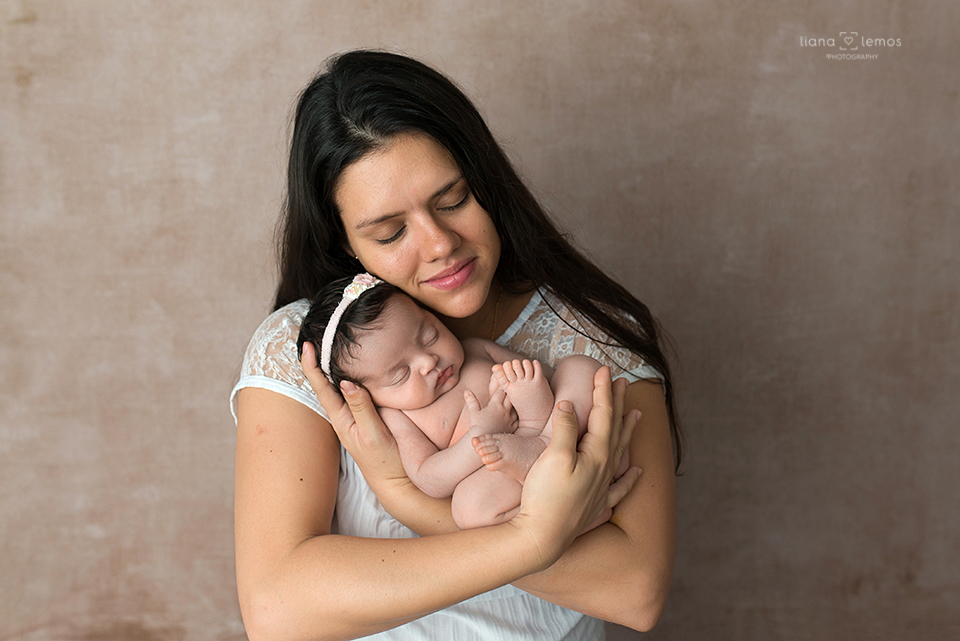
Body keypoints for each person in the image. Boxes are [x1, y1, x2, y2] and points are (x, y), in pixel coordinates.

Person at [232, 49, 682, 641]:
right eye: (390, 232)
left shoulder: (593, 336)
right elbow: (277, 608)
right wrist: (534, 538)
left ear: (487, 185)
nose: (440, 243)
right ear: (345, 245)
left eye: (452, 201)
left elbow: (635, 592)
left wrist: (411, 502)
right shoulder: (310, 355)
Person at [297, 273, 611, 530]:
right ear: (365, 394)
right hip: (508, 474)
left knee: (580, 367)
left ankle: (546, 447)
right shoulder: (398, 416)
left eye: (429, 336)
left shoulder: (475, 350)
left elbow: (543, 377)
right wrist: (479, 435)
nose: (428, 362)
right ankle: (576, 512)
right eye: (400, 374)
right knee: (468, 509)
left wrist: (531, 390)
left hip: (552, 430)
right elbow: (429, 478)